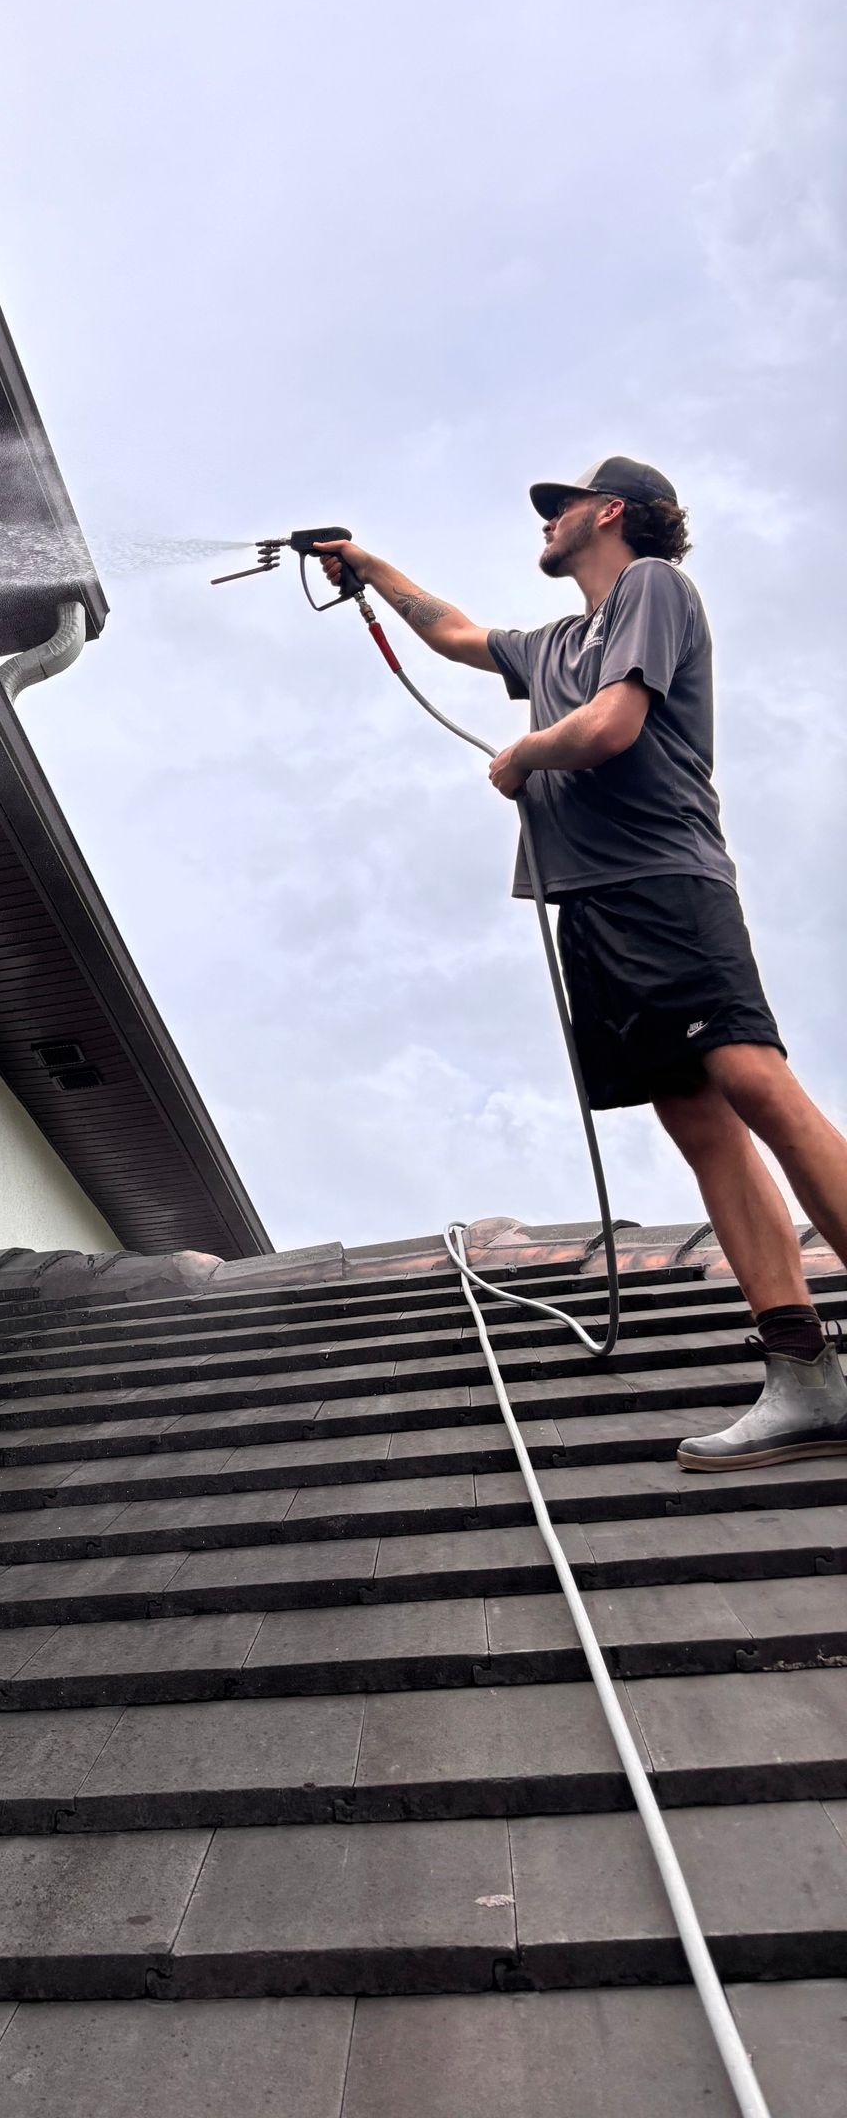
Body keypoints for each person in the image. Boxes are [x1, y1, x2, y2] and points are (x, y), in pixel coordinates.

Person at [324, 457, 847, 1469]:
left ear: (607, 512)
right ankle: (807, 1375)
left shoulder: (653, 588)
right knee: (699, 1124)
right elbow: (453, 632)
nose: (546, 522)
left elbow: (612, 727)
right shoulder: (555, 641)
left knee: (752, 1082)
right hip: (594, 907)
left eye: (559, 508)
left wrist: (521, 759)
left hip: (666, 879)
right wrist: (370, 567)